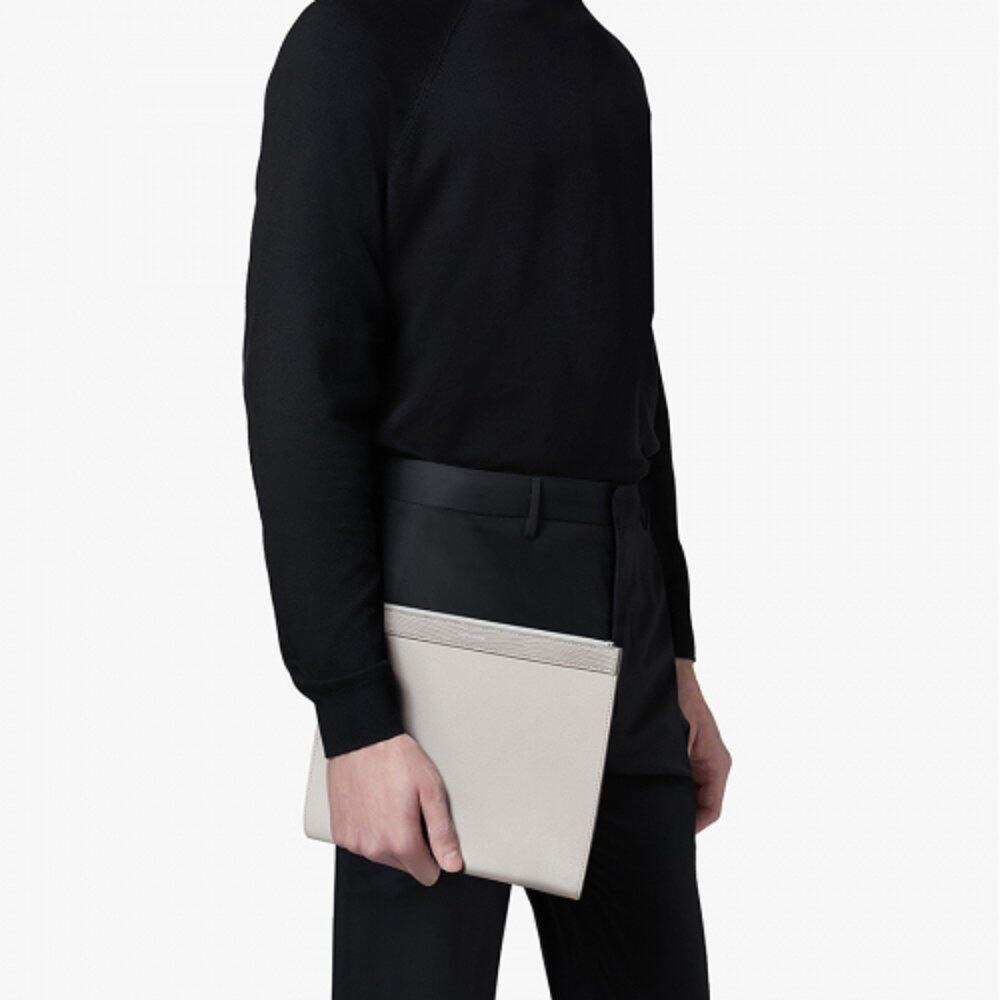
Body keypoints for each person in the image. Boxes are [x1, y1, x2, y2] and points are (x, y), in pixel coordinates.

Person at [244, 1, 731, 996]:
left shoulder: (604, 65)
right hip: (439, 632)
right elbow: (300, 386)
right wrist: (353, 712)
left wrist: (675, 654)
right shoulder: (352, 42)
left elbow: (626, 367)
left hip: (624, 623)